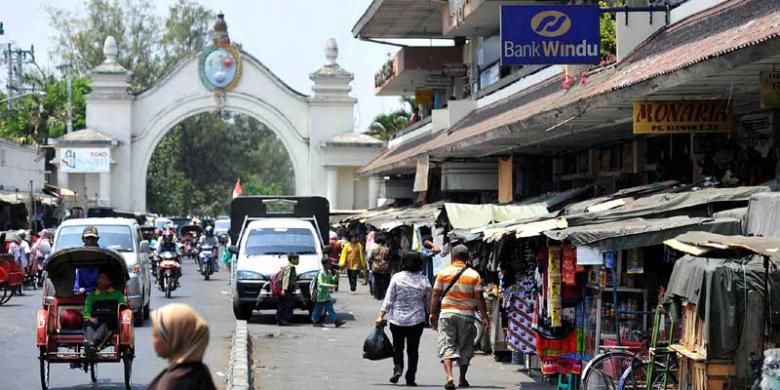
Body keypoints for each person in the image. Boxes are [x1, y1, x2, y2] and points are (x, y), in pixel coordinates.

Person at [429, 245, 489, 390]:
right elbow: (479, 298)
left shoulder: (443, 273)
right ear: (467, 257)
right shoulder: (474, 275)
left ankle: (449, 377)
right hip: (466, 315)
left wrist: (432, 313)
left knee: (447, 344)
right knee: (465, 346)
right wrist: (484, 316)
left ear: (453, 257)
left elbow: (435, 294)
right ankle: (462, 379)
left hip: (447, 313)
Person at [375, 251, 432, 387]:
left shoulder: (396, 278)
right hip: (416, 320)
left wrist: (381, 315)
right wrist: (432, 315)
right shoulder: (424, 280)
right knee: (413, 350)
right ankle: (410, 376)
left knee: (398, 347)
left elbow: (389, 299)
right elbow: (428, 302)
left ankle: (398, 368)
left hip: (397, 320)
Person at [148, 303, 217, 390]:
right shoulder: (200, 371)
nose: (153, 340)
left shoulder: (173, 383)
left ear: (175, 338)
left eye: (156, 335)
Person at [82, 271, 125, 350]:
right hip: (96, 320)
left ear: (110, 281)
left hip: (110, 321)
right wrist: (89, 318)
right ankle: (90, 343)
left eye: (103, 278)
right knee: (88, 324)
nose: (100, 280)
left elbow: (122, 309)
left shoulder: (118, 295)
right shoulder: (92, 296)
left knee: (105, 325)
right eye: (99, 278)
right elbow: (86, 312)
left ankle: (92, 342)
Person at [311, 257, 345, 328]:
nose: (330, 265)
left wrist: (336, 275)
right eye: (329, 264)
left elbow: (332, 280)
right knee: (318, 309)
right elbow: (320, 283)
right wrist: (331, 285)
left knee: (330, 308)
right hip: (320, 294)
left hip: (326, 295)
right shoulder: (321, 273)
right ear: (324, 264)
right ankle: (315, 321)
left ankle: (336, 321)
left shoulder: (329, 272)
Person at [276, 253, 299, 326]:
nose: (298, 261)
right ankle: (282, 319)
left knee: (283, 304)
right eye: (296, 259)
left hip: (287, 289)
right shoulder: (290, 267)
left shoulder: (289, 267)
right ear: (292, 259)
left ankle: (280, 319)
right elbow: (286, 278)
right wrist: (284, 289)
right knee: (287, 304)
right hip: (287, 289)